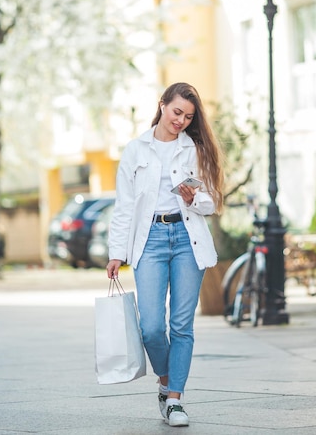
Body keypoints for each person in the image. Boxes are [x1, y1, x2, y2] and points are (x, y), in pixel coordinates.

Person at [107, 82, 224, 427]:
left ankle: (174, 399)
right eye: (176, 112)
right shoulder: (135, 150)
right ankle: (164, 380)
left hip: (188, 239)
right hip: (150, 241)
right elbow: (124, 207)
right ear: (162, 105)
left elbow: (212, 200)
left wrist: (193, 199)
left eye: (188, 117)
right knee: (153, 328)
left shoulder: (195, 149)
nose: (181, 121)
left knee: (181, 325)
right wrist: (117, 252)